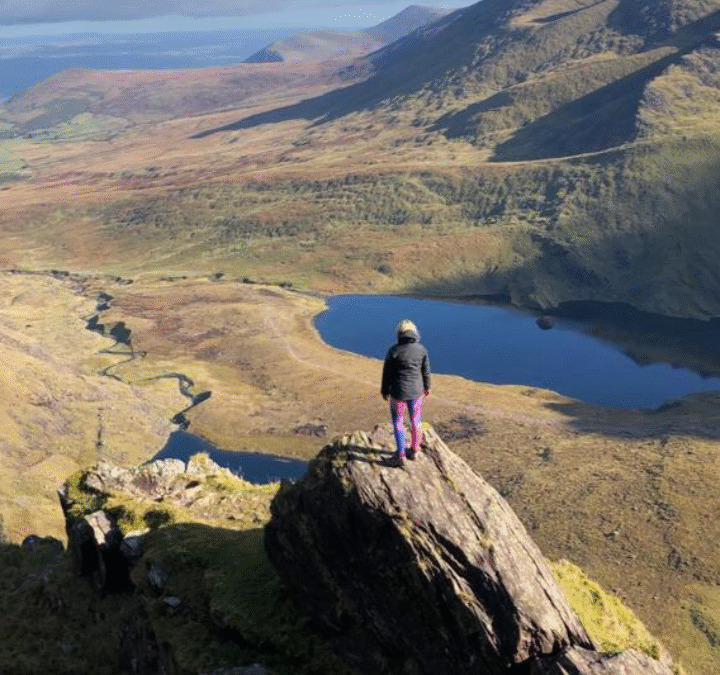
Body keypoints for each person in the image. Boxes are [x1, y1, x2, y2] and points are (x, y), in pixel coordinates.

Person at [381, 319, 431, 467]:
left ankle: (400, 455)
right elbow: (426, 371)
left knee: (398, 422)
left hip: (398, 393)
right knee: (416, 420)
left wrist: (384, 390)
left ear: (399, 334)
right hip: (416, 392)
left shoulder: (394, 351)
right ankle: (415, 450)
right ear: (415, 333)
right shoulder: (421, 350)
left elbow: (387, 374)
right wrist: (427, 387)